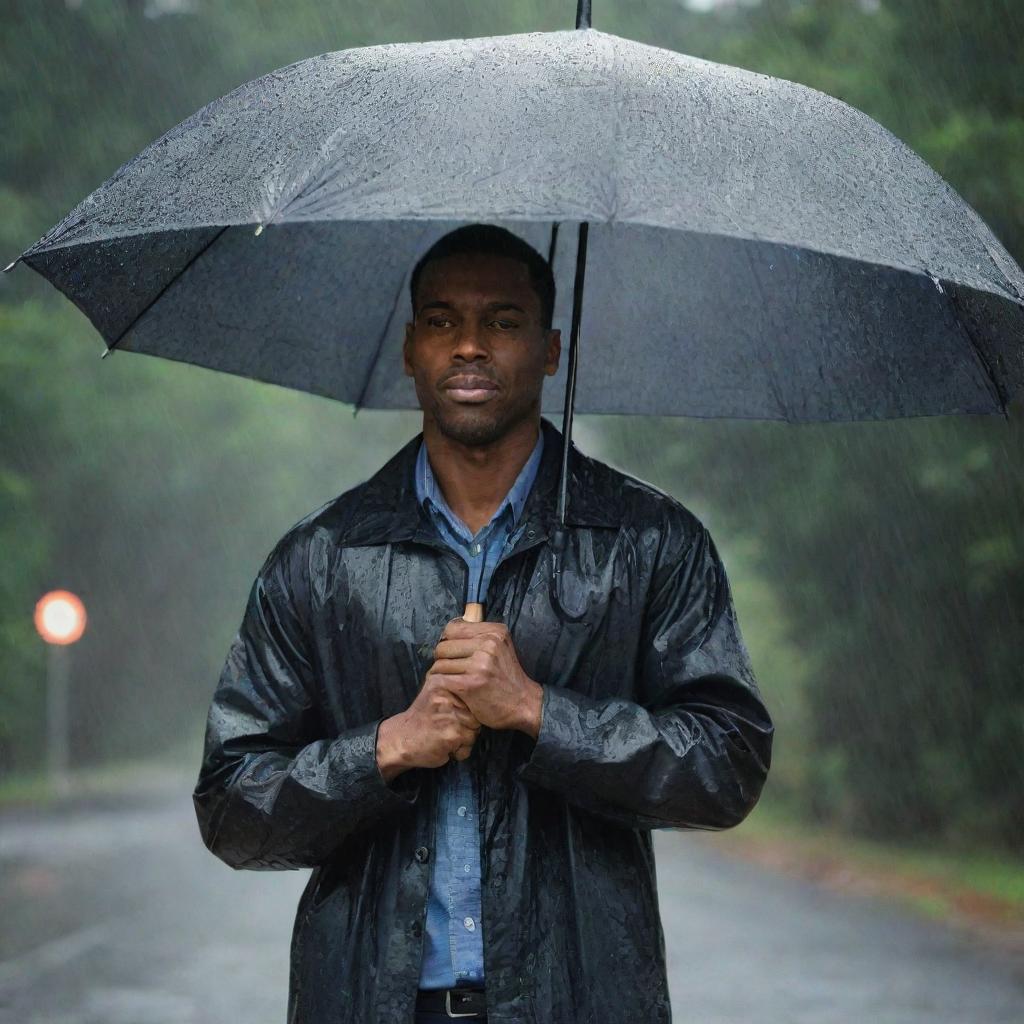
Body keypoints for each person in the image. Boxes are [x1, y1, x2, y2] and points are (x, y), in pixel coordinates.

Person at [192, 224, 774, 1024]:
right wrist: (386, 748)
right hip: (372, 1003)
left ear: (550, 349)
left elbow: (728, 763)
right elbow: (232, 807)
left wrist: (540, 712)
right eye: (441, 321)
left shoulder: (649, 543)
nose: (469, 345)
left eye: (502, 322)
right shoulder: (322, 557)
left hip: (578, 1000)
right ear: (409, 349)